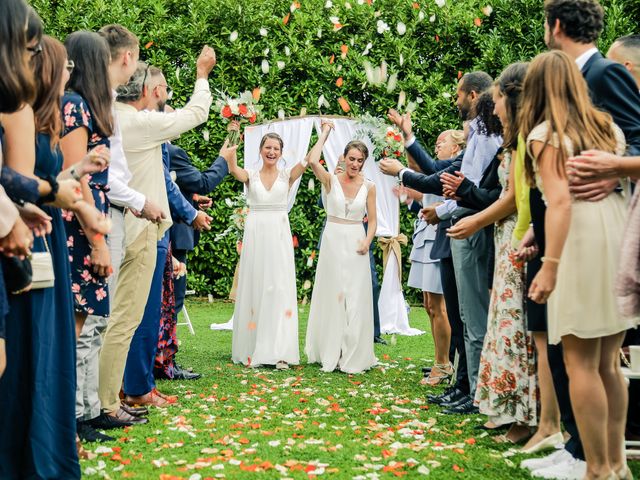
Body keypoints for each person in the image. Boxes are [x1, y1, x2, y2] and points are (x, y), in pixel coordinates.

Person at [521, 2, 640, 477]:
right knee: (610, 360)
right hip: (615, 231)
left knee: (579, 362)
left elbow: (563, 202)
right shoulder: (604, 125)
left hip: (581, 239)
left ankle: (595, 469)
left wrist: (549, 264)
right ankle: (615, 465)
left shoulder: (545, 133)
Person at [99, 49, 215, 412]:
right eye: (157, 87)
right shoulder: (137, 123)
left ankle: (120, 390)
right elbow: (196, 114)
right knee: (134, 317)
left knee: (124, 316)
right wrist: (202, 74)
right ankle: (126, 392)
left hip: (124, 223)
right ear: (146, 90)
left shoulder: (111, 116)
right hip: (140, 226)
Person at [447, 63, 545, 447]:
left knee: (515, 328)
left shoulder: (525, 142)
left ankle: (526, 415)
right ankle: (509, 408)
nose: (494, 107)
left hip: (517, 240)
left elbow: (513, 200)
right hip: (507, 240)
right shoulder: (514, 140)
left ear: (512, 99)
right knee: (506, 327)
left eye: (499, 99)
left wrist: (473, 222)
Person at [76, 23, 153, 440]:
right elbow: (100, 172)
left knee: (99, 318)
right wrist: (141, 201)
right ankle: (83, 413)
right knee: (90, 321)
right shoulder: (88, 103)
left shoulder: (104, 100)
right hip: (105, 210)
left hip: (112, 207)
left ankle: (91, 409)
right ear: (127, 57)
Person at [227, 131, 307, 370]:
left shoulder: (287, 175)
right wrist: (233, 135)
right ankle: (253, 346)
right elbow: (232, 168)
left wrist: (323, 132)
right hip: (256, 235)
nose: (271, 152)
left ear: (281, 153)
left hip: (279, 235)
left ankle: (280, 350)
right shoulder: (250, 175)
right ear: (261, 150)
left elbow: (309, 159)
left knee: (279, 288)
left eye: (276, 149)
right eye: (268, 148)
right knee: (257, 285)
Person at [305, 122, 378, 373]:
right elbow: (313, 161)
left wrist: (367, 241)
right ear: (344, 158)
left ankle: (353, 351)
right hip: (333, 239)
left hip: (357, 240)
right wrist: (324, 132)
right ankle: (331, 349)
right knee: (332, 295)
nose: (355, 164)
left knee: (355, 298)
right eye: (351, 159)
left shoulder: (369, 186)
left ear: (364, 163)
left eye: (359, 160)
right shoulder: (330, 181)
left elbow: (374, 220)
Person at [160, 137, 231, 380]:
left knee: (166, 303)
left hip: (166, 234)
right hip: (172, 237)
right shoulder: (172, 151)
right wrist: (225, 160)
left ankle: (161, 360)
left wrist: (192, 200)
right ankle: (165, 362)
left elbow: (172, 189)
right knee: (172, 302)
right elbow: (204, 181)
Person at [60, 31, 114, 339]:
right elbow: (77, 175)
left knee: (74, 332)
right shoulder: (74, 105)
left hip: (84, 223)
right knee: (68, 334)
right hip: (77, 226)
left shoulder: (80, 105)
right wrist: (98, 243)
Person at [404, 130, 465, 386]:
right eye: (436, 142)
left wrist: (408, 137)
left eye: (442, 143)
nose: (437, 145)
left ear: (455, 148)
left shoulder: (452, 167)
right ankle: (440, 358)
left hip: (438, 234)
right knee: (429, 304)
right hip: (426, 234)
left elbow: (423, 171)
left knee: (440, 307)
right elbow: (417, 172)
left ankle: (444, 364)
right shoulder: (437, 169)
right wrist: (403, 139)